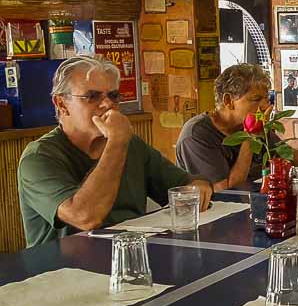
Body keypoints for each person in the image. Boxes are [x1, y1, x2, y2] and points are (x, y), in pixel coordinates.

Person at [17, 56, 212, 247]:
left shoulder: (131, 144)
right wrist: (117, 142)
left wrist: (199, 187)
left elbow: (185, 184)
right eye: (92, 97)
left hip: (130, 257)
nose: (107, 104)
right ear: (61, 104)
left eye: (113, 96)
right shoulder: (39, 157)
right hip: (63, 272)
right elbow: (85, 216)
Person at [176, 64, 282, 192]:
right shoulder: (196, 135)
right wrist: (250, 137)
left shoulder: (248, 124)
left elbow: (288, 155)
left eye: (266, 99)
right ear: (228, 101)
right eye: (256, 99)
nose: (265, 106)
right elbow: (226, 191)